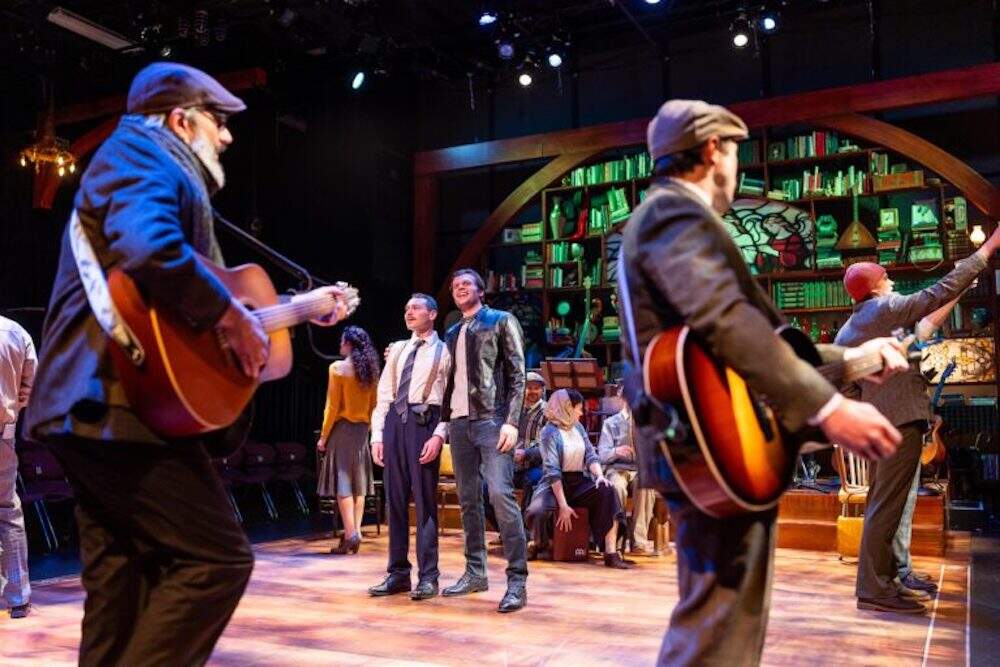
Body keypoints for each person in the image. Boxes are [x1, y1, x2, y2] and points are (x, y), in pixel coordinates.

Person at [24, 62, 347, 665]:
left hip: (95, 404)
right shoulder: (144, 154)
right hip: (117, 400)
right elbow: (149, 247)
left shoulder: (142, 164)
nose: (226, 136)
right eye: (217, 121)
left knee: (120, 586)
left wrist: (293, 309)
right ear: (179, 120)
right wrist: (227, 315)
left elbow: (177, 299)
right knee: (215, 560)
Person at [618, 99, 910, 666]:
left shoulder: (665, 217)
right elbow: (725, 320)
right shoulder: (672, 212)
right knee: (718, 633)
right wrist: (829, 409)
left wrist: (854, 360)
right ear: (712, 150)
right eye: (735, 152)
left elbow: (753, 345)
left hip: (718, 442)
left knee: (724, 623)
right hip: (710, 444)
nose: (738, 167)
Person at [835, 224, 1000, 614]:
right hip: (898, 423)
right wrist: (989, 248)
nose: (892, 282)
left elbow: (843, 385)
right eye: (886, 278)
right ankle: (875, 589)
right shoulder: (883, 308)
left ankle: (887, 580)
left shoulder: (851, 329)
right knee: (886, 508)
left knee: (885, 505)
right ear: (874, 288)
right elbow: (936, 293)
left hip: (882, 425)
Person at [438, 268, 528, 613]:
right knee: (468, 500)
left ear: (480, 291)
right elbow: (449, 381)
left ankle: (517, 581)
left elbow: (518, 374)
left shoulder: (501, 320)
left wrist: (512, 422)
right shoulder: (452, 331)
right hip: (460, 422)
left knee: (500, 495)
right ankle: (475, 572)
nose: (459, 288)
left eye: (466, 284)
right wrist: (444, 422)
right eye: (455, 286)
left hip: (492, 419)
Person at [368, 294, 450, 600]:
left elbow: (449, 399)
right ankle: (398, 573)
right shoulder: (399, 349)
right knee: (395, 502)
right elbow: (384, 395)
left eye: (415, 308)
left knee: (425, 503)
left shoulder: (445, 352)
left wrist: (439, 435)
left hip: (423, 424)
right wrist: (377, 436)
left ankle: (428, 577)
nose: (409, 313)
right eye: (406, 309)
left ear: (432, 313)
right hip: (394, 424)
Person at [525, 389, 631, 569]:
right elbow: (553, 471)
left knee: (608, 491)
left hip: (578, 480)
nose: (581, 413)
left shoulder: (578, 427)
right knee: (538, 511)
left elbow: (590, 455)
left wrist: (599, 476)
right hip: (554, 484)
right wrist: (563, 505)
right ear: (567, 408)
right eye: (578, 409)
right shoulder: (548, 432)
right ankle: (537, 542)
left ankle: (610, 553)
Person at [317, 325, 379, 555]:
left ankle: (351, 533)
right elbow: (374, 406)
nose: (340, 345)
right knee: (358, 483)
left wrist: (324, 436)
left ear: (349, 344)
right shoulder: (371, 372)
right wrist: (369, 430)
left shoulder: (337, 369)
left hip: (342, 430)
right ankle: (355, 532)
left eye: (342, 341)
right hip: (362, 431)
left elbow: (332, 406)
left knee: (343, 483)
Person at [0, 314, 36, 619]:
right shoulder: (15, 331)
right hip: (4, 433)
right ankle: (18, 597)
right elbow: (29, 387)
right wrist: (11, 408)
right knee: (7, 510)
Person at [597, 385, 660, 557]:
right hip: (617, 468)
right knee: (616, 487)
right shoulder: (611, 423)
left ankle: (638, 541)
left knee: (646, 485)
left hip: (639, 469)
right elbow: (602, 454)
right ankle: (615, 541)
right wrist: (616, 451)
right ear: (621, 398)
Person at [484, 370, 547, 535]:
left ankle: (525, 532)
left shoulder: (548, 412)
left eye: (536, 388)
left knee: (534, 480)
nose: (532, 391)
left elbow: (549, 447)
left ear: (542, 390)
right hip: (511, 465)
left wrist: (526, 453)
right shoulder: (512, 410)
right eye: (528, 387)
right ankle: (507, 532)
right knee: (484, 488)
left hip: (536, 465)